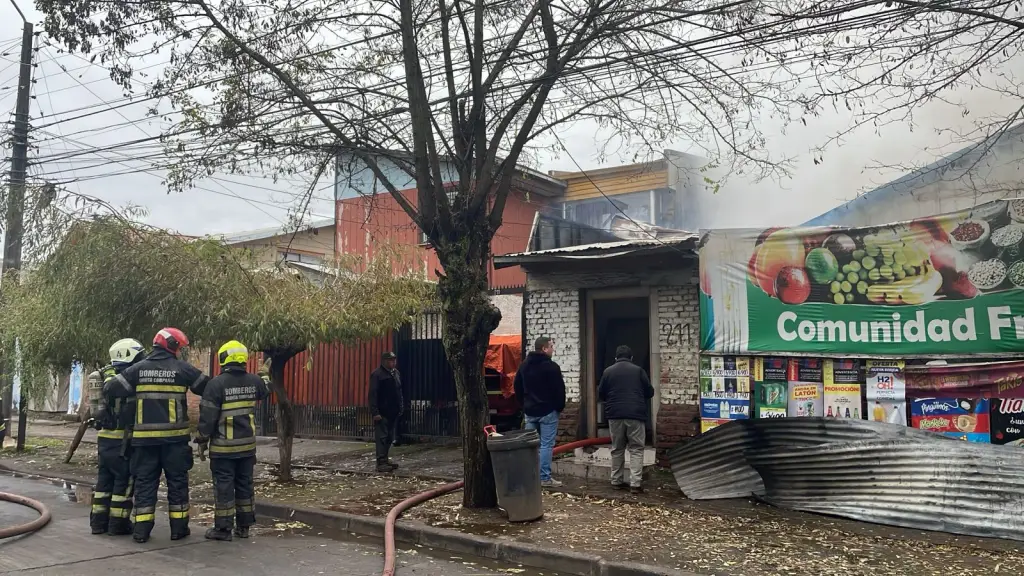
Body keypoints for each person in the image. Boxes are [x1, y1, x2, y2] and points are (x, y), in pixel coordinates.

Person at [104, 327, 209, 543]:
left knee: (145, 484)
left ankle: (141, 531)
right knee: (177, 484)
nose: (180, 352)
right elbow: (207, 387)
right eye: (179, 348)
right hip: (175, 442)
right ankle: (179, 529)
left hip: (145, 443)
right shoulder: (182, 369)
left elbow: (112, 389)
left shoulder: (138, 369)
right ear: (171, 346)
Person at [195, 340, 270, 541]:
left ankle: (223, 529)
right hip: (247, 447)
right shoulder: (254, 381)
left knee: (224, 488)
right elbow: (265, 389)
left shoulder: (215, 384)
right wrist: (264, 374)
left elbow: (207, 417)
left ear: (224, 358)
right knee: (245, 485)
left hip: (223, 449)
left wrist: (201, 440)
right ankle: (244, 527)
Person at [91, 338, 146, 535]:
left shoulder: (105, 375)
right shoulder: (127, 379)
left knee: (104, 483)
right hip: (123, 441)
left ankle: (98, 524)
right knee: (124, 483)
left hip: (104, 440)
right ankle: (118, 524)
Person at [598, 345, 654, 494]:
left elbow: (601, 393)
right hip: (635, 414)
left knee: (617, 448)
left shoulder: (608, 371)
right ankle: (635, 484)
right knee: (636, 448)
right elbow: (650, 392)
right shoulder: (638, 371)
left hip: (615, 414)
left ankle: (616, 481)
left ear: (616, 358)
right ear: (631, 358)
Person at [513, 336, 566, 488]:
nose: (553, 349)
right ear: (544, 348)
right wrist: (559, 407)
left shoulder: (524, 366)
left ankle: (530, 477)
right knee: (546, 445)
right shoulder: (552, 367)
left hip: (530, 412)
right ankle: (544, 478)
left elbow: (517, 386)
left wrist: (524, 405)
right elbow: (559, 390)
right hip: (548, 412)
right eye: (551, 346)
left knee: (530, 445)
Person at [369, 351, 403, 473]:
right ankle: (380, 462)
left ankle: (385, 459)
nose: (393, 362)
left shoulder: (396, 373)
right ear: (384, 361)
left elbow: (399, 391)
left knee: (389, 437)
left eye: (394, 360)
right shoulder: (377, 374)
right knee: (382, 437)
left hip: (393, 411)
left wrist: (400, 406)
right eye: (390, 360)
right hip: (382, 412)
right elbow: (373, 394)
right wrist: (375, 412)